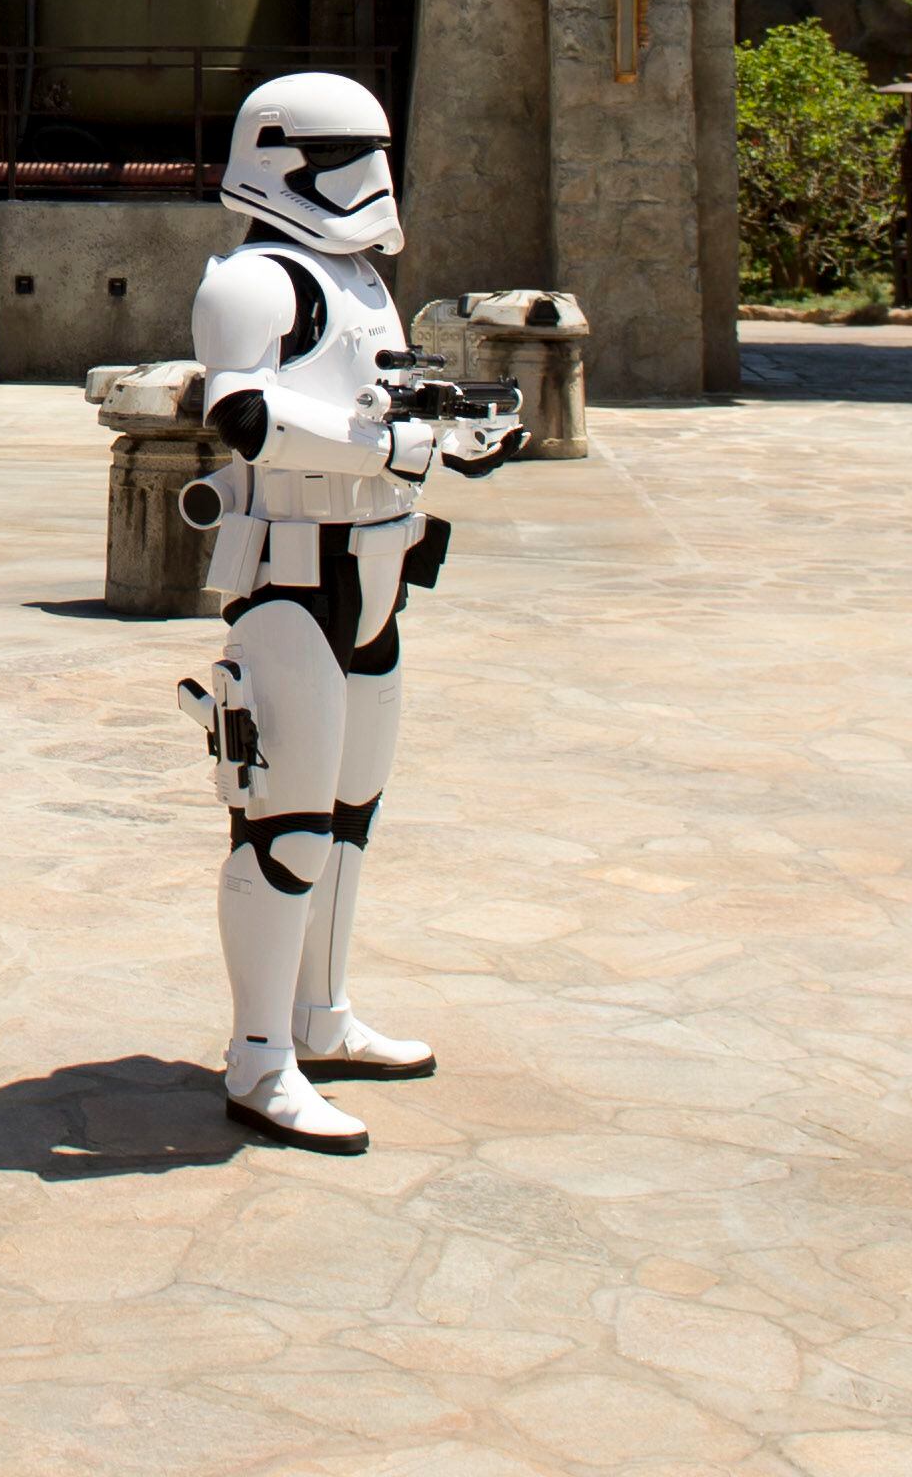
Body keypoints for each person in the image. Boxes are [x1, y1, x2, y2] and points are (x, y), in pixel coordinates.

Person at [176, 71, 520, 1150]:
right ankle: (257, 1056)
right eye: (338, 159)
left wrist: (451, 432)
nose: (364, 181)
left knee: (349, 814)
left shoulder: (358, 281)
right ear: (278, 158)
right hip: (291, 573)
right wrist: (387, 445)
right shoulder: (253, 278)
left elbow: (384, 398)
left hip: (377, 569)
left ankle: (319, 1015)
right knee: (282, 824)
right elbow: (241, 409)